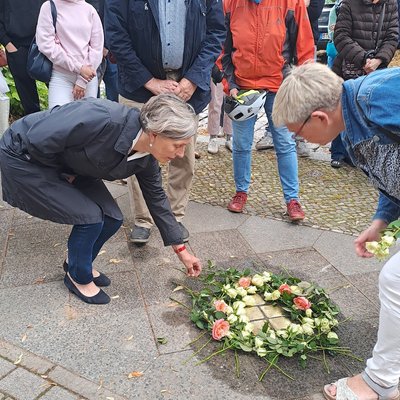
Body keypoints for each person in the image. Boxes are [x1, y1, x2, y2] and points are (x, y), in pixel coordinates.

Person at [273, 62, 400, 400]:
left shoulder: (381, 98)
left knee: (395, 280)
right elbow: (392, 172)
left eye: (298, 133)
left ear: (318, 118)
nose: (302, 141)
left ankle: (380, 382)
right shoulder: (350, 121)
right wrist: (380, 222)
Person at [0, 94, 202, 305]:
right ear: (153, 134)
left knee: (112, 218)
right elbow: (38, 136)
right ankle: (78, 277)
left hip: (73, 167)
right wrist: (62, 175)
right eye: (177, 145)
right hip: (26, 157)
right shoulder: (102, 117)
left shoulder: (147, 158)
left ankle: (77, 263)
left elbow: (157, 199)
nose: (180, 154)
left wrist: (182, 251)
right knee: (91, 218)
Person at [105, 0, 225, 245]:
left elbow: (216, 33)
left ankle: (174, 216)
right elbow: (115, 34)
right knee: (138, 155)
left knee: (182, 155)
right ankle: (143, 219)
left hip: (185, 85)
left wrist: (193, 79)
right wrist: (149, 81)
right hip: (140, 85)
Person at [222, 0, 315, 220]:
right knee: (241, 144)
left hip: (279, 83)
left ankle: (292, 199)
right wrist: (230, 83)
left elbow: (305, 45)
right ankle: (240, 192)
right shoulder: (230, 4)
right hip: (243, 85)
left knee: (284, 142)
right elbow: (221, 46)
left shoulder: (292, 3)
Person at [330, 0, 398, 169]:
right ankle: (338, 152)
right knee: (343, 108)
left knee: (368, 112)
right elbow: (341, 36)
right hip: (350, 66)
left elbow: (392, 37)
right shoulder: (349, 3)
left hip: (376, 70)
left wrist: (378, 60)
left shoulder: (390, 4)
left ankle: (363, 154)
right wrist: (363, 59)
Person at [36, 0, 104, 109]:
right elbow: (45, 44)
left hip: (88, 78)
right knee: (58, 121)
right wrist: (79, 68)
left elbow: (97, 48)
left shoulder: (89, 10)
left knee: (87, 122)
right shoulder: (49, 7)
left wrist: (82, 80)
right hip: (61, 76)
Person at [0, 0, 43, 115]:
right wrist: (7, 44)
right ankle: (35, 129)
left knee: (58, 90)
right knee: (29, 102)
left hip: (44, 45)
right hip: (16, 46)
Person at [207, 65, 233, 155]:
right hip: (217, 65)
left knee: (231, 102)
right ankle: (213, 137)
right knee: (214, 102)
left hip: (232, 65)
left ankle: (230, 136)